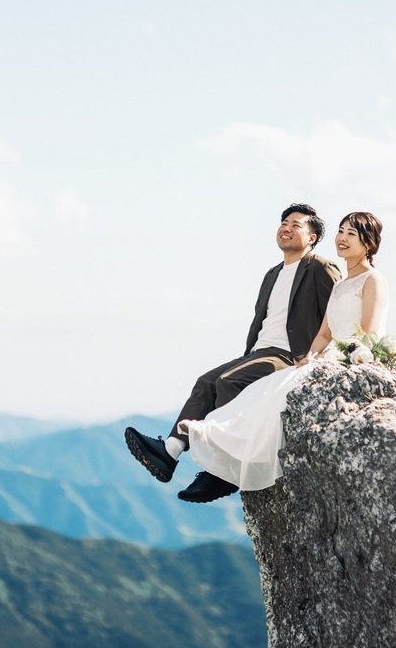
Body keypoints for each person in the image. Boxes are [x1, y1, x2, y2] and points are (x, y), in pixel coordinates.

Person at [125, 204, 341, 502]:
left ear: (313, 237)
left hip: (291, 354)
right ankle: (170, 452)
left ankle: (224, 471)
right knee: (206, 382)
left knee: (229, 382)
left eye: (296, 224)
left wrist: (321, 355)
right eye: (283, 222)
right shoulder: (272, 274)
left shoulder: (320, 268)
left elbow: (338, 315)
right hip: (260, 351)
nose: (286, 228)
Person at [178, 211, 388, 499]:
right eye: (341, 231)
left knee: (274, 390)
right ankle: (217, 438)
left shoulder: (373, 280)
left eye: (352, 234)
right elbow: (325, 333)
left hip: (349, 357)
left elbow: (368, 332)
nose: (342, 238)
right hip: (325, 357)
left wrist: (341, 356)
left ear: (369, 243)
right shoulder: (340, 286)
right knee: (264, 389)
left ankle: (224, 452)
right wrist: (312, 356)